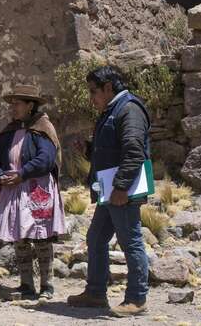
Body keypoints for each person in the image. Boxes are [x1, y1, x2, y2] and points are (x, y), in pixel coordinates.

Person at [67, 66, 151, 317]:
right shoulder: (112, 111)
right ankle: (95, 293)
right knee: (96, 238)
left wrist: (122, 187)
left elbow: (134, 151)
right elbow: (111, 151)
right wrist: (89, 149)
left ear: (108, 88)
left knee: (130, 240)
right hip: (110, 190)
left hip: (120, 191)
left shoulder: (129, 109)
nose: (91, 97)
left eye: (94, 91)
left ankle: (137, 299)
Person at [0, 84, 66, 300]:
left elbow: (46, 158)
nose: (12, 107)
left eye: (17, 104)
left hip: (35, 188)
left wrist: (22, 173)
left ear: (30, 105)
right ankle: (26, 284)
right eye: (11, 104)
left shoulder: (42, 128)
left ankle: (47, 285)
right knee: (20, 237)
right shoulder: (8, 131)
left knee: (41, 237)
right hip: (13, 189)